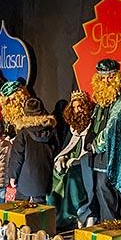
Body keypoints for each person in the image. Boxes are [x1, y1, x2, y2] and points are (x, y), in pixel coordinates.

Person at [79, 59, 121, 224]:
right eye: (102, 77)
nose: (106, 81)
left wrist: (96, 144)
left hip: (113, 152)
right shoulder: (101, 99)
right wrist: (89, 140)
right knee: (99, 187)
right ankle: (105, 222)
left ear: (116, 78)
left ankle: (111, 223)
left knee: (106, 185)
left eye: (110, 77)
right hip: (99, 153)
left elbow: (113, 126)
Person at [49, 91, 94, 228]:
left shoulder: (92, 125)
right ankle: (56, 214)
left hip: (85, 164)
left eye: (80, 106)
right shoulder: (72, 127)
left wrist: (75, 161)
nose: (77, 110)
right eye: (74, 107)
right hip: (71, 162)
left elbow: (88, 150)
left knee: (72, 178)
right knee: (55, 173)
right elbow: (67, 147)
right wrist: (62, 158)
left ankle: (76, 213)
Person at [6, 97, 59, 204]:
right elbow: (55, 151)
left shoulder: (23, 133)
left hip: (25, 180)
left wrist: (13, 176)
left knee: (20, 208)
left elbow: (17, 157)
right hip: (44, 178)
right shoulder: (51, 131)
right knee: (40, 209)